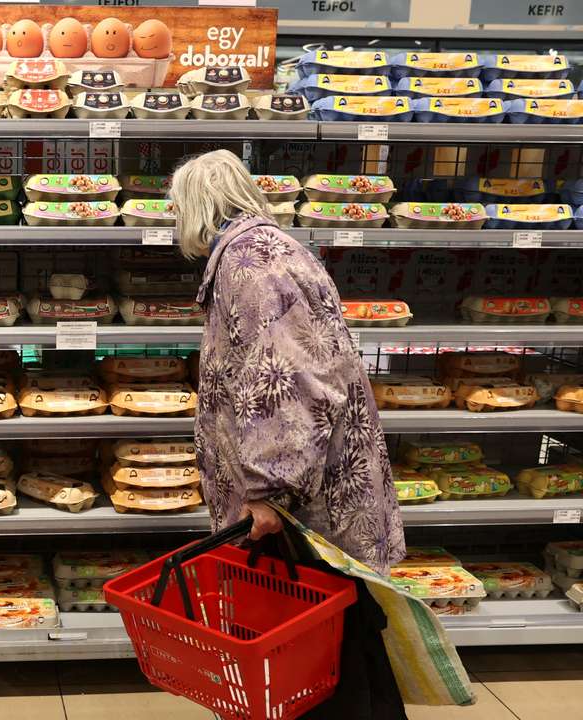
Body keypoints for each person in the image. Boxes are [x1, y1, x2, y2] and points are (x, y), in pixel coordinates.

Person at [170, 150, 407, 718]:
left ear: (201, 207)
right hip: (315, 483)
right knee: (333, 630)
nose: (173, 216)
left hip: (306, 499)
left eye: (177, 205)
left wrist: (267, 489)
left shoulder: (253, 264)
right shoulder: (265, 251)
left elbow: (286, 382)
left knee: (314, 638)